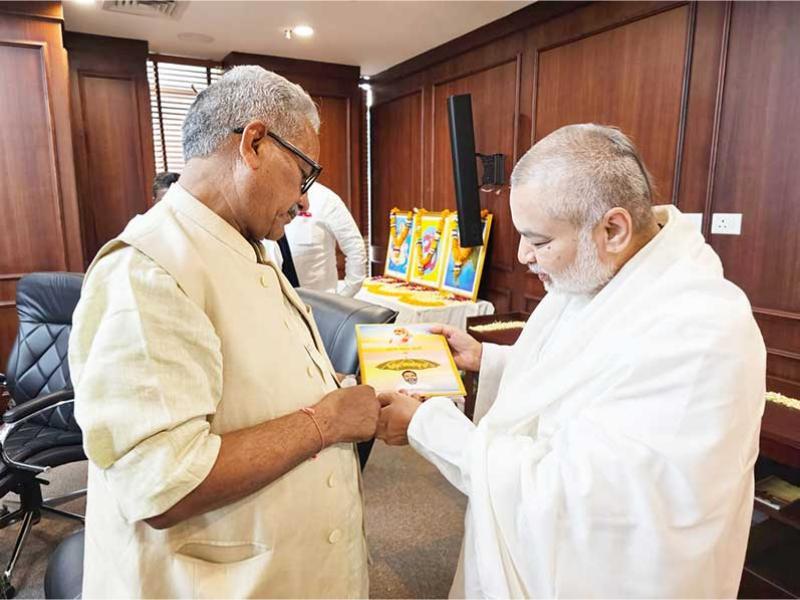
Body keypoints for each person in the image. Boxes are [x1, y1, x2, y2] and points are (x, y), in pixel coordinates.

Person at [376, 124, 766, 598]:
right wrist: (490, 360)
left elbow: (583, 499)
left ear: (613, 229)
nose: (522, 256)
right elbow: (576, 371)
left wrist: (427, 425)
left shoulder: (701, 331)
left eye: (538, 241)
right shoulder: (603, 270)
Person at [70, 66, 379, 598]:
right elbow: (163, 484)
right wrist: (325, 422)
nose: (306, 201)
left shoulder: (243, 246)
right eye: (304, 172)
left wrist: (329, 386)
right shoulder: (149, 270)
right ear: (255, 144)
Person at [283, 181, 366, 296]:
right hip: (273, 304)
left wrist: (344, 296)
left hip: (318, 305)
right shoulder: (267, 198)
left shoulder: (326, 199)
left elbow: (355, 248)